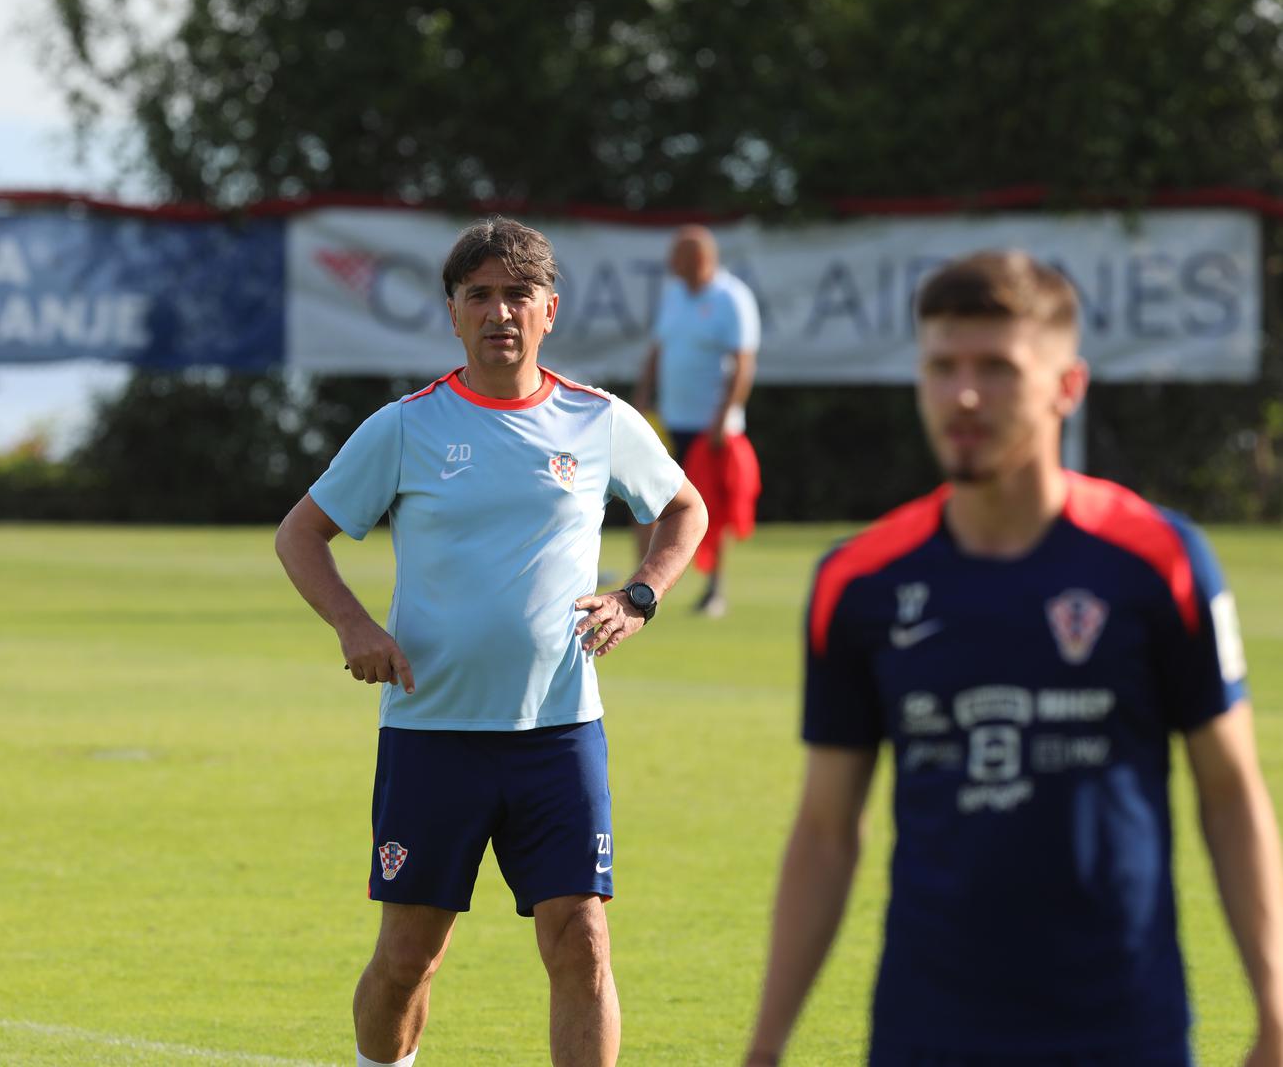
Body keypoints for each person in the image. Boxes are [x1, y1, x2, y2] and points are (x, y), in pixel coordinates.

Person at [743, 250, 1283, 1067]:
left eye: (996, 368)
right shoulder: (859, 584)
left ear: (1068, 386)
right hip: (926, 1033)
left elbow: (1231, 790)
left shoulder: (1160, 562)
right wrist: (765, 1045)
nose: (963, 394)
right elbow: (825, 830)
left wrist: (1275, 1004)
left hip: (1123, 1031)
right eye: (941, 367)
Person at [275, 217, 707, 1067]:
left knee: (581, 943)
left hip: (558, 733)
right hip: (432, 733)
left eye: (518, 295)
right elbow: (301, 534)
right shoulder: (405, 427)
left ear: (550, 310)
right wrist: (355, 625)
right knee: (409, 958)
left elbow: (684, 506)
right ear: (453, 313)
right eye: (480, 295)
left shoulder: (598, 420)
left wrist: (641, 595)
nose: (500, 311)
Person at [633, 224, 762, 617]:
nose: (671, 264)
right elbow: (658, 349)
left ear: (699, 258)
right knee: (644, 495)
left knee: (710, 506)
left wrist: (724, 416)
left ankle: (713, 588)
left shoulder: (732, 298)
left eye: (678, 256)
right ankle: (640, 582)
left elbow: (743, 363)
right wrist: (642, 397)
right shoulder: (674, 296)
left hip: (711, 426)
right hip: (671, 418)